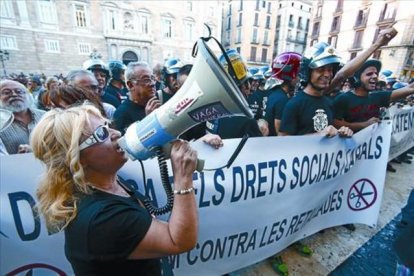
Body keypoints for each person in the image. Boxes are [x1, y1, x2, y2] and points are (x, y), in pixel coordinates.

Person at [31, 104, 198, 275]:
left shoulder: (107, 181)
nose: (116, 134)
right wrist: (183, 177)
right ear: (77, 157)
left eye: (107, 126)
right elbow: (178, 240)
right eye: (101, 134)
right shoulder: (102, 218)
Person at [279, 23, 398, 137]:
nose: (327, 74)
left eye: (330, 70)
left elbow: (329, 131)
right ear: (308, 72)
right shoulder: (294, 104)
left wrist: (342, 132)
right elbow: (283, 140)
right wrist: (317, 136)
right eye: (321, 69)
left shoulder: (328, 102)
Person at [333, 59, 414, 132]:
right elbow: (335, 123)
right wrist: (364, 124)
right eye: (369, 74)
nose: (375, 76)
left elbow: (408, 88)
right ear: (357, 78)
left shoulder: (377, 96)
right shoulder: (343, 98)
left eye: (376, 73)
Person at [206, 49, 263, 139]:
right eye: (247, 82)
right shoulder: (246, 118)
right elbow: (259, 145)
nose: (249, 90)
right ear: (242, 86)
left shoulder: (210, 109)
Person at [113, 61, 161, 134]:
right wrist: (148, 120)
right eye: (146, 80)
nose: (152, 83)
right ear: (131, 85)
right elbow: (128, 144)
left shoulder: (157, 103)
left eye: (152, 78)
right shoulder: (121, 114)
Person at [0, 80, 45, 154]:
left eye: (19, 91)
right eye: (7, 92)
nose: (14, 94)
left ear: (27, 95)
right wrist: (18, 158)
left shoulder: (45, 116)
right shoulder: (1, 124)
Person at [264, 52, 301, 136]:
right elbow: (281, 133)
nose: (299, 78)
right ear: (291, 75)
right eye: (298, 74)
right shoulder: (282, 100)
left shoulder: (274, 93)